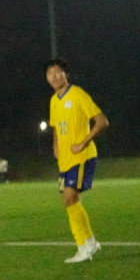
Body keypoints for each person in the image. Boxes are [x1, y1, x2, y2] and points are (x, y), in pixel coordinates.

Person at [45, 59, 109, 264]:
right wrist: (55, 145)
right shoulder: (54, 100)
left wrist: (83, 143)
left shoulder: (78, 94)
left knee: (69, 198)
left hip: (82, 156)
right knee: (71, 201)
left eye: (57, 72)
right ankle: (89, 243)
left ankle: (84, 247)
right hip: (65, 160)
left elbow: (102, 121)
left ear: (66, 74)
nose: (54, 77)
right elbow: (56, 126)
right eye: (50, 74)